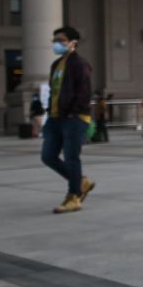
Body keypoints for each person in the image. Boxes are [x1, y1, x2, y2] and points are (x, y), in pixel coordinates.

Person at [43, 27, 96, 214]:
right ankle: (81, 182)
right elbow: (54, 91)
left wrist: (73, 112)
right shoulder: (56, 65)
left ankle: (74, 197)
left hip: (74, 117)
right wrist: (50, 112)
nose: (56, 43)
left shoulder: (80, 64)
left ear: (73, 42)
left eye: (61, 39)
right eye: (55, 39)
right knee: (48, 156)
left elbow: (84, 93)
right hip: (55, 117)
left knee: (71, 157)